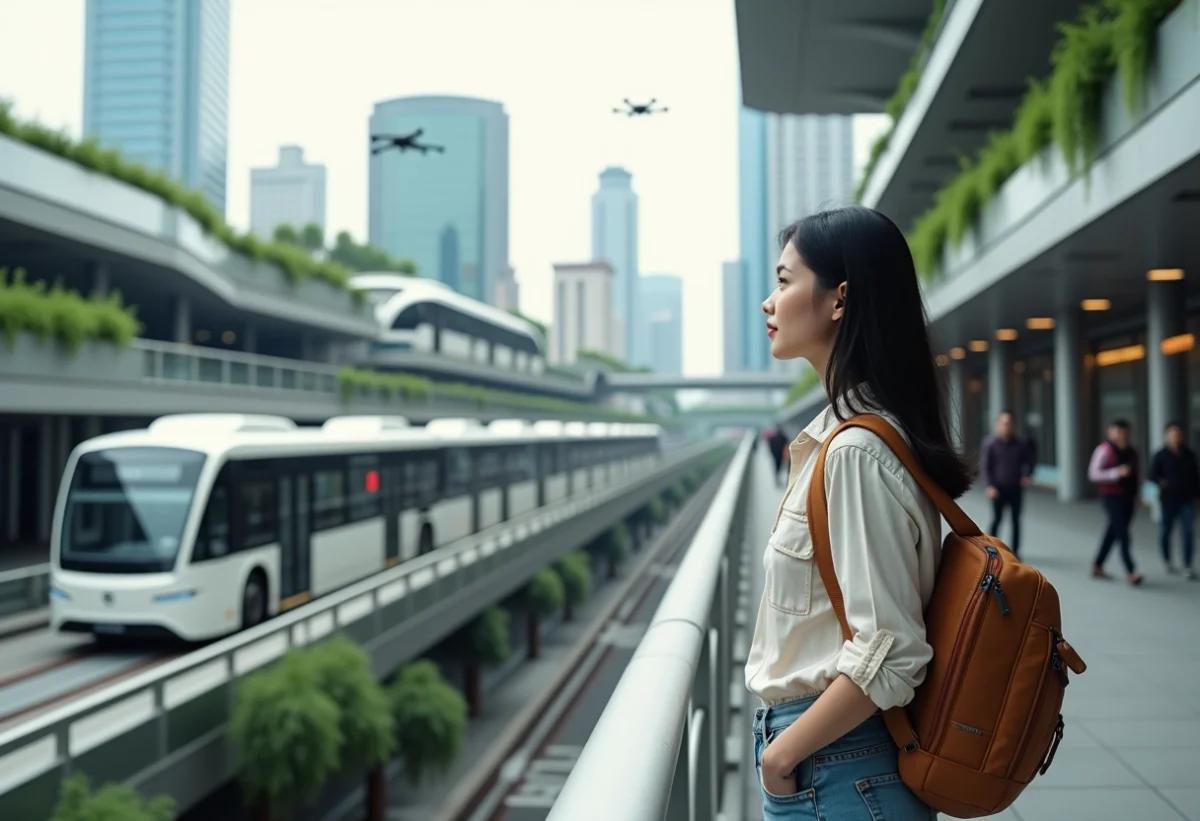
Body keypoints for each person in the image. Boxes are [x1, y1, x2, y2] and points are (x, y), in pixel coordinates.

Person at [746, 206, 969, 820]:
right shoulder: (854, 437)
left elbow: (891, 649)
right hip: (840, 765)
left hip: (836, 770)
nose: (769, 302)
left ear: (839, 299)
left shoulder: (855, 453)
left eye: (785, 281)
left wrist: (780, 759)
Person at [1087, 420, 1144, 585]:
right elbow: (1093, 474)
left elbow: (1136, 475)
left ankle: (1097, 565)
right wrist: (1116, 473)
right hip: (1111, 496)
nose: (1122, 436)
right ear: (1110, 433)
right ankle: (1131, 571)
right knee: (1123, 534)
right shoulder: (1104, 451)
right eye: (1117, 432)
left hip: (1128, 497)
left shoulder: (1132, 452)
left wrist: (1137, 494)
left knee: (1112, 531)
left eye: (1125, 433)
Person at [1148, 420, 1199, 579]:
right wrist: (1162, 484)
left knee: (1188, 532)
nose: (1175, 437)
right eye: (1172, 433)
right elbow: (1152, 475)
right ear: (1167, 435)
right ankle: (1167, 559)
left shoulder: (1189, 455)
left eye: (1178, 433)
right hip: (1168, 499)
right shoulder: (1160, 455)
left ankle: (1187, 564)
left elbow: (1196, 477)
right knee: (1166, 530)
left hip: (1187, 499)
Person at [981, 410, 1034, 557]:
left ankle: (1015, 552)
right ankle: (991, 550)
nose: (1006, 426)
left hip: (1015, 488)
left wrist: (1027, 475)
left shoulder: (1020, 444)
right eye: (1004, 423)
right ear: (998, 425)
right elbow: (986, 467)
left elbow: (1030, 461)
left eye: (1009, 423)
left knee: (1016, 520)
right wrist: (989, 486)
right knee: (997, 519)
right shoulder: (990, 444)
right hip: (997, 488)